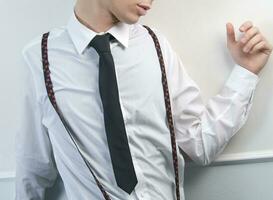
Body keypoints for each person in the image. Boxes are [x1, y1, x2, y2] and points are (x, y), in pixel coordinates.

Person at [15, 0, 272, 199]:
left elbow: (199, 145)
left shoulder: (155, 45)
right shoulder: (40, 59)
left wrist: (246, 73)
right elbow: (33, 171)